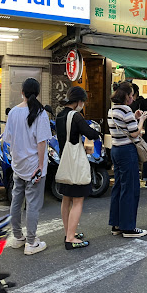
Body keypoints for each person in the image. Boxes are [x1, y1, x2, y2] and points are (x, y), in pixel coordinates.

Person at [5, 78, 52, 255]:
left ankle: (18, 237)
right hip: (34, 167)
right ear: (37, 93)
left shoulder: (13, 113)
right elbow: (42, 143)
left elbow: (8, 140)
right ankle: (31, 242)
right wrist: (40, 166)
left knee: (16, 201)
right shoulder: (41, 114)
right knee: (33, 204)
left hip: (18, 165)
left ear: (22, 92)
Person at [56, 87, 100, 250]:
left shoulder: (60, 115)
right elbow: (91, 133)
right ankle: (71, 238)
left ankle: (69, 232)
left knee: (66, 198)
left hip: (64, 160)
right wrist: (97, 131)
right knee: (78, 200)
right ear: (78, 102)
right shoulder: (75, 116)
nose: (83, 105)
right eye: (83, 102)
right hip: (74, 163)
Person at [108, 82, 147, 237]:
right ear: (126, 96)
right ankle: (128, 227)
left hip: (116, 150)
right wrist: (141, 120)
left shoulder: (112, 110)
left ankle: (116, 224)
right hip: (127, 151)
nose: (132, 98)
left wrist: (134, 117)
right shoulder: (126, 110)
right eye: (131, 95)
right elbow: (134, 133)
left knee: (118, 187)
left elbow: (124, 126)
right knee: (130, 188)